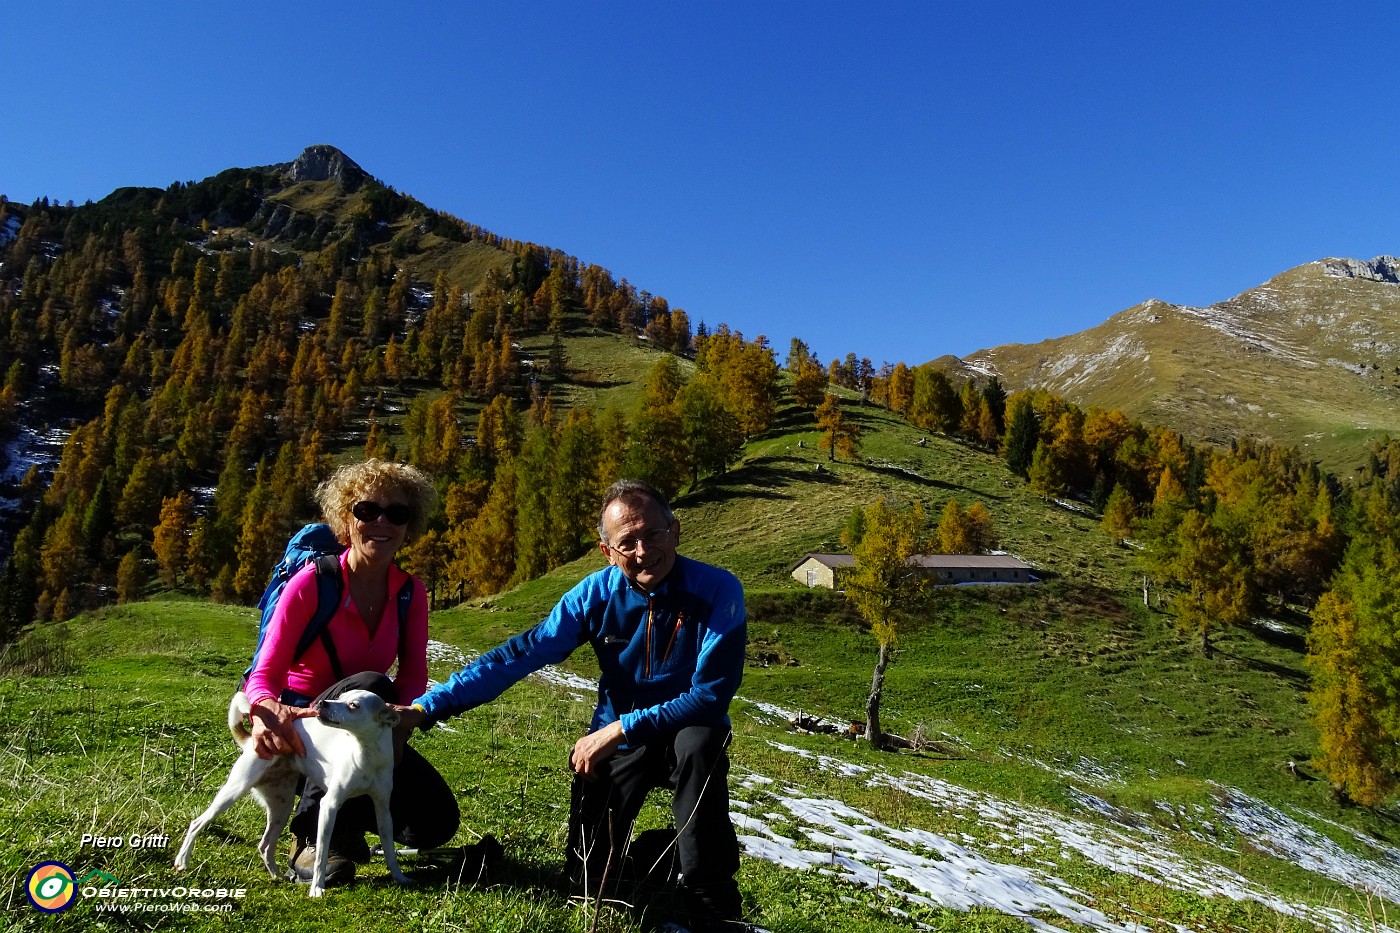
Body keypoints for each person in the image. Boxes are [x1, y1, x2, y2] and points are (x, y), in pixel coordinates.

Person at [396, 479, 748, 930]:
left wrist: (619, 728)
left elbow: (710, 695)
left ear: (674, 532)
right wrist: (428, 708)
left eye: (653, 534)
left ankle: (710, 901)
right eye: (627, 542)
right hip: (617, 737)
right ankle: (659, 853)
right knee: (586, 884)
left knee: (700, 744)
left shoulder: (718, 589)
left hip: (678, 729)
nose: (643, 551)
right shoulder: (594, 595)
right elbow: (520, 654)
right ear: (607, 552)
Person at [243, 459, 459, 886]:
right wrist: (264, 712)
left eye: (396, 513)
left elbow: (415, 675)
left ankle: (350, 821)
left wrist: (397, 731)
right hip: (305, 726)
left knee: (437, 822)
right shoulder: (312, 583)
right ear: (346, 518)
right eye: (367, 511)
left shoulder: (410, 593)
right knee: (373, 682)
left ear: (408, 525)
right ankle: (310, 837)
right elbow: (264, 672)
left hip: (362, 721)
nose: (381, 522)